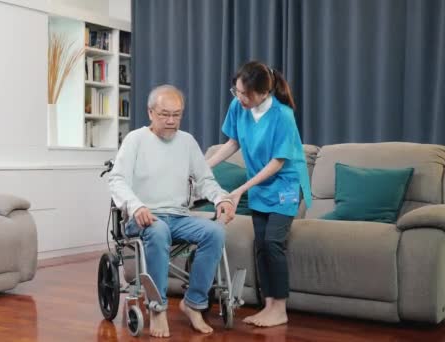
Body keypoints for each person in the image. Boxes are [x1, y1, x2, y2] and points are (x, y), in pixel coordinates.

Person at [109, 85, 235, 338]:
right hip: (143, 217)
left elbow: (204, 180)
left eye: (176, 115)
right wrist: (136, 207)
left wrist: (222, 198)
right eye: (164, 114)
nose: (171, 121)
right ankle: (157, 308)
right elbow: (117, 180)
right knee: (158, 230)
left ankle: (193, 303)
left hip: (178, 216)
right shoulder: (135, 139)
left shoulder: (187, 141)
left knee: (215, 232)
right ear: (150, 112)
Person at [207, 61, 312, 328]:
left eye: (246, 94)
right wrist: (202, 166)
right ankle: (268, 307)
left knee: (273, 243)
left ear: (264, 93)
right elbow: (232, 142)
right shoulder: (238, 106)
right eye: (237, 91)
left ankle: (280, 309)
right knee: (261, 244)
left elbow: (278, 163)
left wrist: (241, 189)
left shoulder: (282, 115)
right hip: (260, 187)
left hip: (285, 185)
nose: (240, 98)